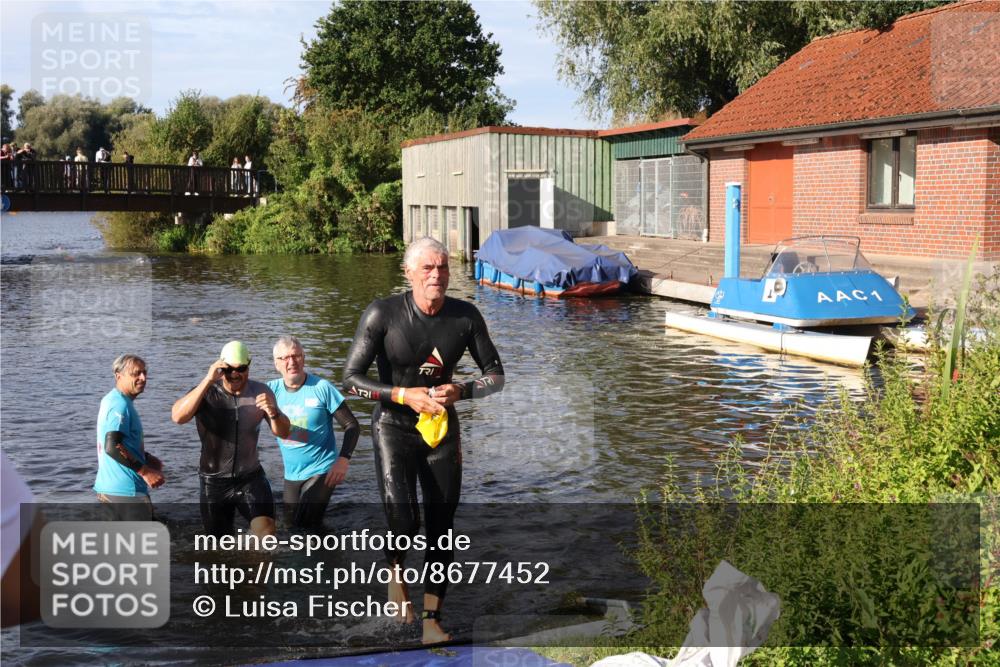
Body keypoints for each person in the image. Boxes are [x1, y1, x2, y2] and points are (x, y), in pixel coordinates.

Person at [343, 236, 505, 644]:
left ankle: (432, 619)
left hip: (439, 429)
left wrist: (463, 391)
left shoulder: (465, 316)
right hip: (393, 426)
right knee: (404, 520)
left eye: (444, 267)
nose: (438, 275)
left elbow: (496, 376)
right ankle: (395, 571)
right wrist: (401, 394)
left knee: (441, 527)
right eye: (429, 268)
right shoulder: (382, 313)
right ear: (409, 272)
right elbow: (350, 380)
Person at [171, 341, 290, 537]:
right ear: (219, 368)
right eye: (228, 369)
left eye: (241, 368)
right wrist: (207, 380)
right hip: (214, 482)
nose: (235, 374)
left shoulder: (261, 392)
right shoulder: (206, 392)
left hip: (250, 478)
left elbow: (284, 433)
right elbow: (177, 417)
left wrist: (274, 412)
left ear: (249, 366)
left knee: (266, 533)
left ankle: (258, 565)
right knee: (219, 547)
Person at [267, 336, 359, 529]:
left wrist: (343, 460)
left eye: (296, 356)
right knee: (291, 527)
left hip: (323, 470)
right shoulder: (270, 391)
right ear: (277, 364)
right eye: (285, 358)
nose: (291, 362)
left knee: (306, 525)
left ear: (303, 358)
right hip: (292, 474)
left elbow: (352, 425)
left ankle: (331, 557)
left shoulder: (321, 388)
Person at [94, 354, 164, 521]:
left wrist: (145, 457)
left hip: (113, 491)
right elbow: (111, 445)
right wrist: (145, 471)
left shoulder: (115, 400)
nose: (143, 378)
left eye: (144, 373)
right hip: (126, 493)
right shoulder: (119, 405)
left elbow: (120, 442)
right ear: (119, 376)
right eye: (136, 374)